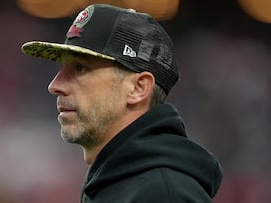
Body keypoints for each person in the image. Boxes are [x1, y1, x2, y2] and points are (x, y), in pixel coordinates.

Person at [22, 4, 222, 203]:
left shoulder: (162, 193)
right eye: (63, 68)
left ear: (138, 88)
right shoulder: (122, 183)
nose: (54, 85)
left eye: (81, 68)